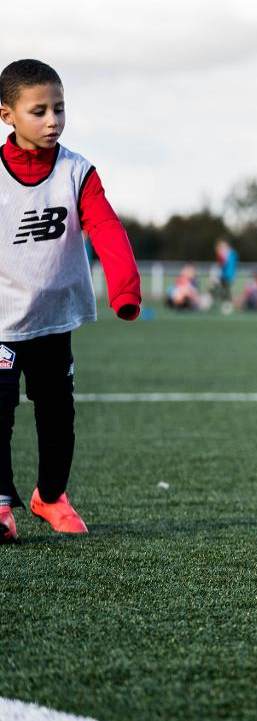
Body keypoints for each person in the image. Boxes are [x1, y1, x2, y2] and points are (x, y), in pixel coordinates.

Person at [0, 59, 141, 542]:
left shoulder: (77, 171)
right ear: (7, 116)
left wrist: (125, 289)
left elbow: (105, 226)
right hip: (2, 323)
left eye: (59, 108)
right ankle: (0, 505)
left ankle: (51, 496)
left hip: (55, 319)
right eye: (38, 111)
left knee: (57, 415)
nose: (53, 120)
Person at [212, 238, 239, 307]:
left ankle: (226, 303)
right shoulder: (230, 253)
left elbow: (223, 264)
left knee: (224, 290)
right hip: (226, 275)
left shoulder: (229, 253)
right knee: (223, 289)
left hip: (227, 276)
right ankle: (224, 302)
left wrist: (220, 254)